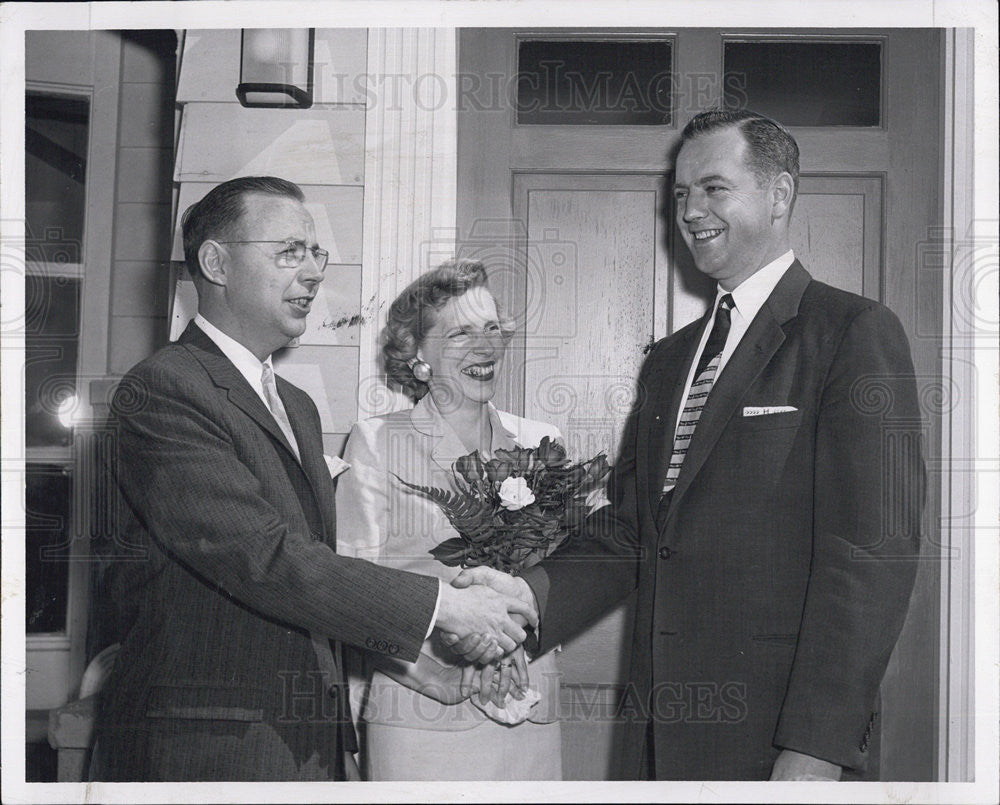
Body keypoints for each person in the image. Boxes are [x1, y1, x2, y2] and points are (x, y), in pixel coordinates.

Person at [451, 109, 925, 781]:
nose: (691, 210)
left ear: (780, 195)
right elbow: (632, 531)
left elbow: (872, 556)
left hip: (779, 741)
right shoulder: (669, 361)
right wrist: (525, 597)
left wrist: (818, 746)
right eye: (680, 195)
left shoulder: (852, 332)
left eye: (713, 188)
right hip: (655, 738)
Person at [95, 177, 535, 781]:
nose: (312, 273)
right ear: (216, 262)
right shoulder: (165, 390)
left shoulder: (296, 405)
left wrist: (421, 669)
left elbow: (317, 576)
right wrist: (444, 608)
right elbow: (264, 559)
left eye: (315, 253)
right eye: (288, 252)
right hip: (207, 745)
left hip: (304, 742)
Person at [335, 260, 564, 780]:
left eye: (491, 330)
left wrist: (514, 643)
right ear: (418, 356)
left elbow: (564, 581)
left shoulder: (541, 444)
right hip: (422, 712)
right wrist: (443, 670)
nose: (485, 347)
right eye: (461, 332)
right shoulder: (376, 441)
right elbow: (353, 594)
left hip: (526, 707)